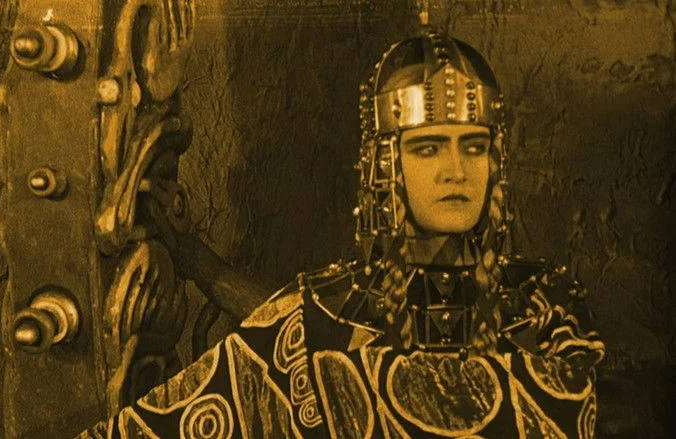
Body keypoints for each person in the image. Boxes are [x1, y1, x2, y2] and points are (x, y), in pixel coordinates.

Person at [78, 27, 605, 439]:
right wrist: (196, 260)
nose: (456, 170)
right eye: (428, 148)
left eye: (474, 146)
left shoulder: (546, 305)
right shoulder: (325, 308)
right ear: (387, 165)